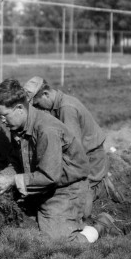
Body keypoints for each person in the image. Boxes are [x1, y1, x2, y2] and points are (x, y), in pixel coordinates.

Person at [0, 78, 119, 243]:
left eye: (4, 116)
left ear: (19, 108)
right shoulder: (21, 127)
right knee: (22, 227)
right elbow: (16, 162)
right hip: (44, 187)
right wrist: (2, 176)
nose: (2, 121)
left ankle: (101, 225)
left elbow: (50, 176)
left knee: (57, 243)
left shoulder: (46, 130)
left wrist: (12, 180)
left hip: (68, 190)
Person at [23, 76, 119, 218]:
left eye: (36, 103)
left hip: (91, 158)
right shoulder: (58, 105)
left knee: (80, 199)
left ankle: (99, 194)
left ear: (46, 94)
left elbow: (75, 148)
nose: (37, 108)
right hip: (89, 156)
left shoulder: (66, 108)